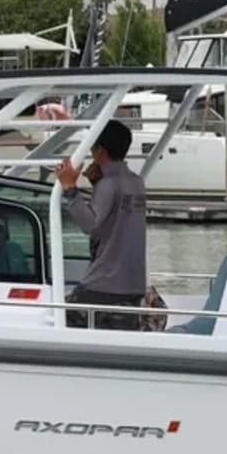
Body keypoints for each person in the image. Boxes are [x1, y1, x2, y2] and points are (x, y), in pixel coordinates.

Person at [56, 120, 166, 330]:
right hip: (132, 286)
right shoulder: (136, 182)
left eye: (92, 148)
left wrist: (70, 188)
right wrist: (96, 183)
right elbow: (117, 218)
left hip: (103, 286)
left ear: (101, 151)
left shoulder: (108, 184)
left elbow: (90, 225)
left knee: (58, 318)